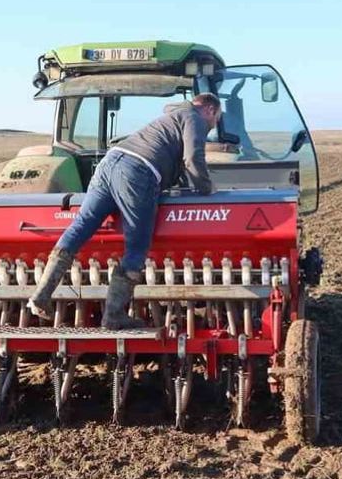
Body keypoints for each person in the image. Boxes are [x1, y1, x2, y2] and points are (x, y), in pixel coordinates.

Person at [27, 92, 222, 329]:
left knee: (81, 226)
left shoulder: (169, 119)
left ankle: (41, 295)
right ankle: (114, 315)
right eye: (216, 119)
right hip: (138, 172)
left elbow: (176, 160)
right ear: (211, 109)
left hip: (109, 164)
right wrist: (206, 187)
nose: (213, 126)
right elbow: (193, 158)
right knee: (137, 245)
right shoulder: (193, 116)